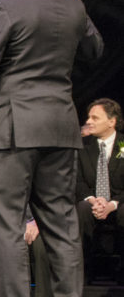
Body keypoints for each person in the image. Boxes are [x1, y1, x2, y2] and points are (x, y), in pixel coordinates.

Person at [0, 0, 104, 296]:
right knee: (62, 226)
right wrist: (76, 4)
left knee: (8, 228)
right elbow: (96, 52)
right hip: (61, 129)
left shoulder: (4, 4)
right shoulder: (72, 6)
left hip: (11, 128)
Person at [76, 98, 124, 275]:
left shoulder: (123, 145)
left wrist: (112, 204)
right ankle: (81, 269)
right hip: (92, 203)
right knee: (81, 208)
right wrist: (93, 199)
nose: (88, 122)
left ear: (112, 122)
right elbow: (77, 180)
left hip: (119, 203)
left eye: (95, 118)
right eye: (88, 117)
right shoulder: (82, 147)